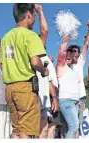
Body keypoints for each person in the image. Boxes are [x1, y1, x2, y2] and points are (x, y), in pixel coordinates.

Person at [0, 3, 48, 138]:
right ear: (29, 14)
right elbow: (35, 61)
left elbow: (3, 65)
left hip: (10, 88)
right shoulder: (30, 35)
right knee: (26, 131)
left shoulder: (5, 38)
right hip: (25, 88)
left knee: (16, 130)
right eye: (33, 15)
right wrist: (44, 71)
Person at [34, 4, 59, 139]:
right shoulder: (31, 55)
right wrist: (40, 12)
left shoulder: (45, 57)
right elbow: (44, 31)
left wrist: (54, 97)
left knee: (45, 131)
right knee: (30, 133)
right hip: (33, 97)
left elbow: (48, 78)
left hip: (45, 99)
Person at [67, 20, 89, 138]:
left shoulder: (80, 63)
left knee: (78, 124)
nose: (76, 53)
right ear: (68, 53)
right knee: (69, 126)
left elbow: (86, 44)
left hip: (80, 98)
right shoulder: (63, 65)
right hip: (67, 99)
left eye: (77, 51)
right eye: (72, 51)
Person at [56, 36, 80, 138]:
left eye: (72, 54)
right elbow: (62, 52)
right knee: (74, 126)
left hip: (74, 101)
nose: (70, 56)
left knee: (71, 127)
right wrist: (65, 40)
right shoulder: (61, 66)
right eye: (68, 54)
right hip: (66, 101)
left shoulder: (72, 69)